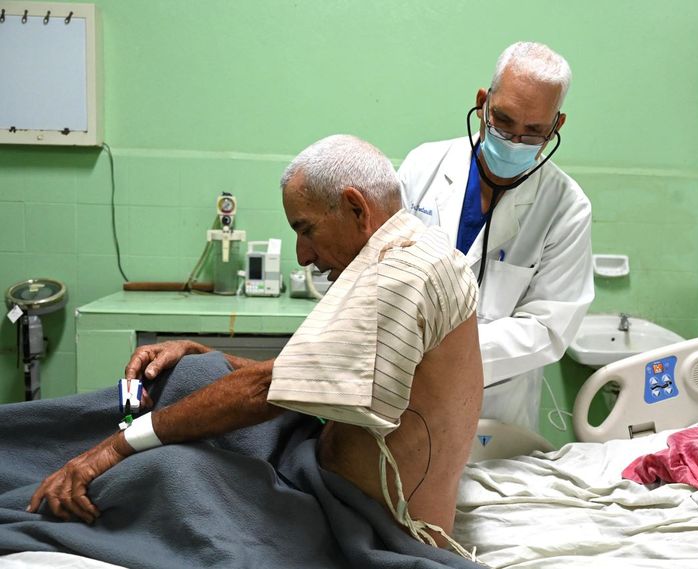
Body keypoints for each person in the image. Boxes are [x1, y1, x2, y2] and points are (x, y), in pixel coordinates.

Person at [18, 135, 483, 564]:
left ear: (355, 208)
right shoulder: (405, 250)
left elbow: (264, 389)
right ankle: (49, 452)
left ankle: (61, 469)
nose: (303, 256)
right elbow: (311, 377)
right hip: (317, 466)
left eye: (306, 230)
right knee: (195, 374)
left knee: (167, 466)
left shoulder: (398, 274)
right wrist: (209, 356)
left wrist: (114, 448)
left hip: (363, 523)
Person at [398, 41, 595, 433]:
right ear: (483, 102)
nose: (513, 140)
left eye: (533, 131)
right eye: (503, 121)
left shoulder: (567, 207)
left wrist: (447, 353)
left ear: (556, 126)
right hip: (403, 392)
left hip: (496, 410)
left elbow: (549, 328)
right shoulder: (423, 166)